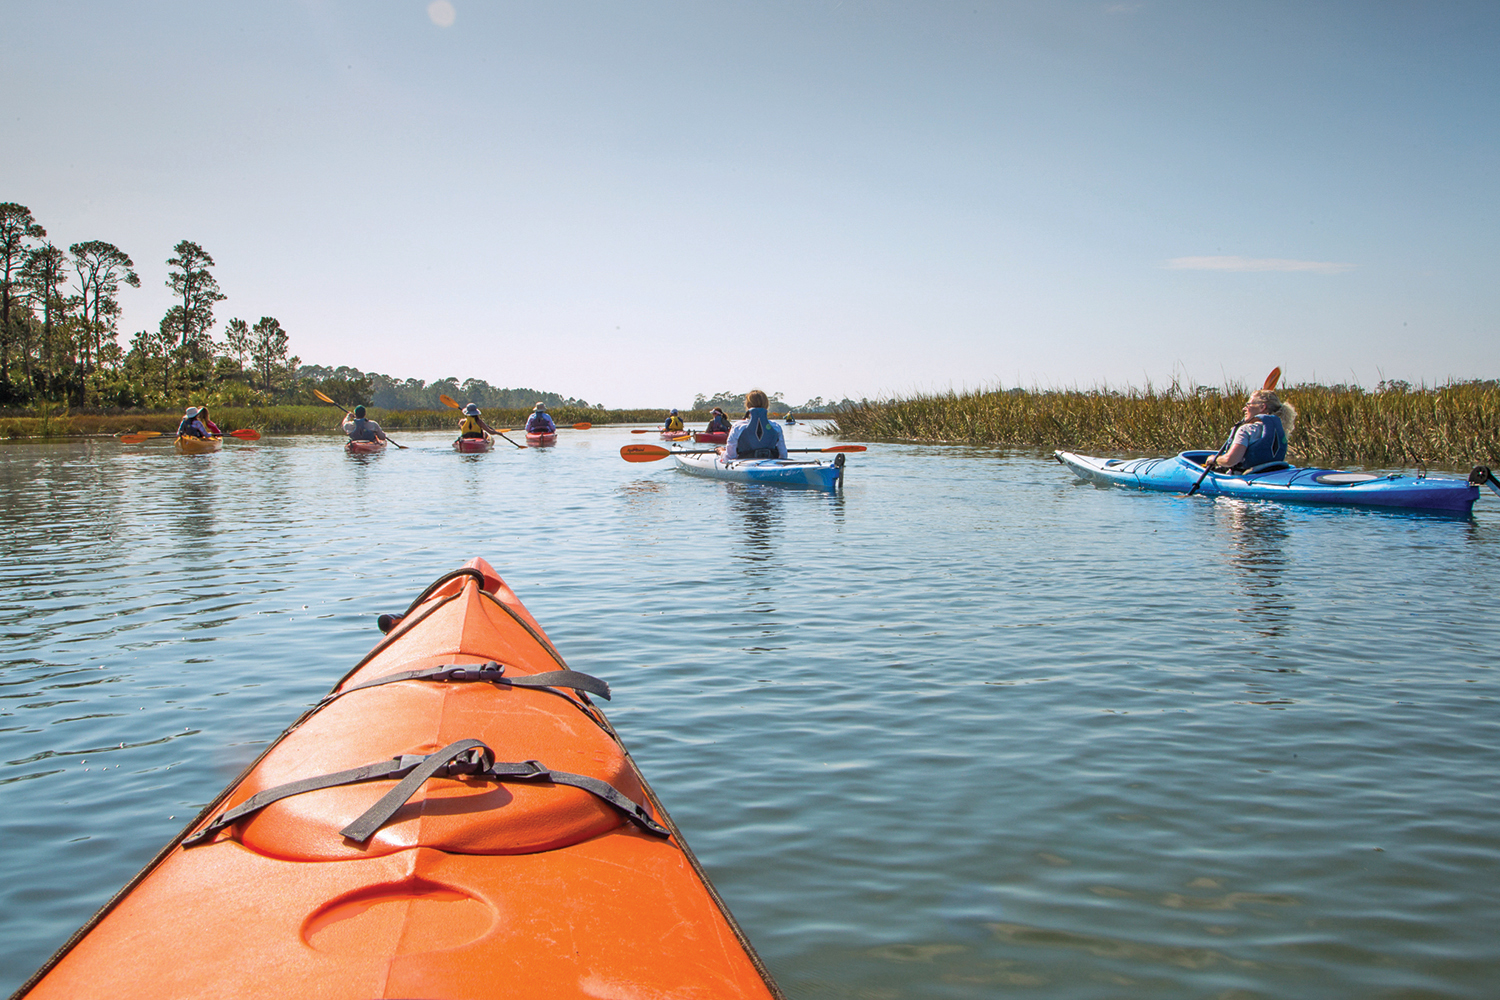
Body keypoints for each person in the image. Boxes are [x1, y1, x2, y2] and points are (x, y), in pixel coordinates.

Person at [1205, 389, 1298, 471]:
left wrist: (1214, 460)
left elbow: (1230, 461)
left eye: (1248, 404)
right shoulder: (1280, 430)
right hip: (1270, 474)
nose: (1244, 409)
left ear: (1262, 407)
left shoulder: (1246, 429)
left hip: (1246, 477)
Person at [724, 389, 788, 460]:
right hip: (770, 463)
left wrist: (721, 452)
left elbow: (730, 456)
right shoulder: (776, 427)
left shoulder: (738, 426)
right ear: (766, 405)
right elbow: (783, 455)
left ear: (748, 405)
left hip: (745, 465)